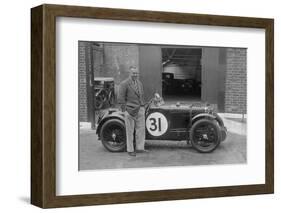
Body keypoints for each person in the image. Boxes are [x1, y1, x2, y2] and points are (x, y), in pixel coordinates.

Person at [118, 66, 147, 156]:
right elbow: (120, 98)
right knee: (130, 131)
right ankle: (130, 150)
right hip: (130, 110)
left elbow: (141, 95)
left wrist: (143, 106)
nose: (135, 75)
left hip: (140, 109)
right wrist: (124, 111)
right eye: (133, 73)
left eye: (136, 73)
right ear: (129, 73)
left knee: (141, 130)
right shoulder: (124, 84)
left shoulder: (139, 83)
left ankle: (140, 148)